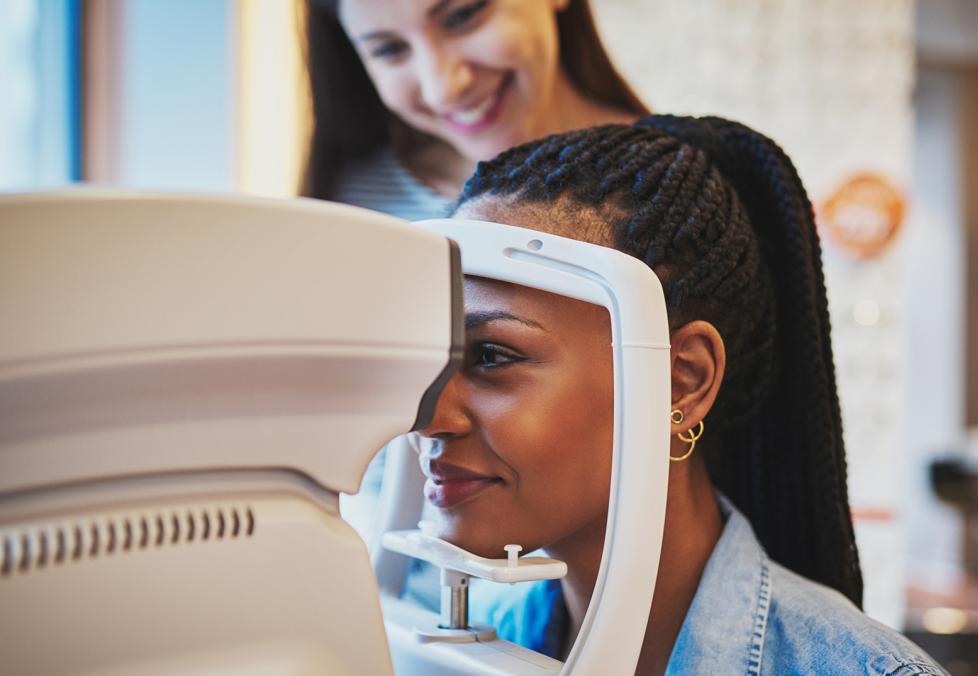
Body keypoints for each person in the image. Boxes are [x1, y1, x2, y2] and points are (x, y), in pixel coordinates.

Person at [416, 115, 947, 674]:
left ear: (683, 381)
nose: (426, 418)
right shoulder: (471, 641)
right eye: (434, 354)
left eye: (493, 356)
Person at [300, 0, 646, 219]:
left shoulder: (682, 178)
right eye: (390, 49)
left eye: (462, 15)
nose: (443, 89)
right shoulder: (343, 206)